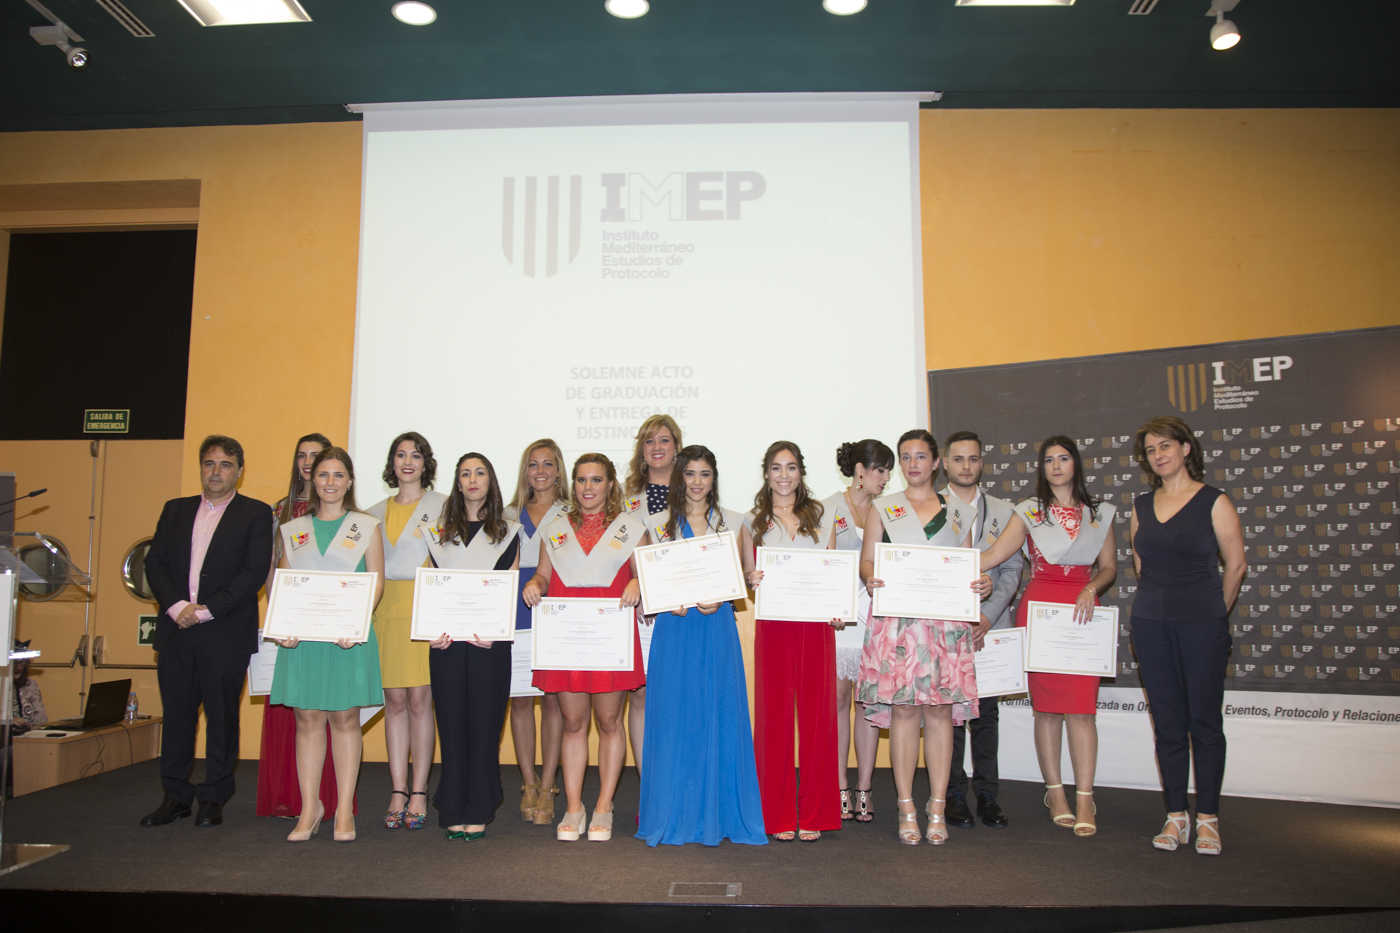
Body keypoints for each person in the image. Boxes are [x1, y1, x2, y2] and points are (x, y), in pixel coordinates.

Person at [978, 435, 1117, 838]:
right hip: (1041, 609)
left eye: (1064, 458)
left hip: (1082, 611)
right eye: (1049, 460)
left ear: (1076, 464)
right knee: (1048, 709)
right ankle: (1055, 793)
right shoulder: (1029, 512)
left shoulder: (1098, 514)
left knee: (1082, 709)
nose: (1056, 466)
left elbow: (1108, 566)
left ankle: (1086, 796)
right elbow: (993, 556)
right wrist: (943, 567)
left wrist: (1093, 587)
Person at [635, 445, 766, 847]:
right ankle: (676, 813)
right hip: (675, 632)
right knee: (675, 719)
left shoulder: (734, 523)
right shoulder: (657, 525)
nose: (696, 482)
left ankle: (720, 813)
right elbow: (646, 580)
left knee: (716, 715)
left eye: (704, 474)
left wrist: (744, 585)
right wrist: (661, 598)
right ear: (679, 477)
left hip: (716, 631)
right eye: (689, 473)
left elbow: (745, 575)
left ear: (714, 479)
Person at [141, 434, 273, 828]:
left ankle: (214, 797)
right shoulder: (175, 510)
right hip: (177, 628)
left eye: (226, 464)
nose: (216, 472)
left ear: (239, 471)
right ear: (202, 468)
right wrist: (178, 607)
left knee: (222, 716)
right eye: (210, 464)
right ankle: (175, 796)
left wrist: (207, 611)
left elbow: (253, 573)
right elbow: (156, 565)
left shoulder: (255, 513)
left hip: (224, 632)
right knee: (178, 716)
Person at [857, 429, 979, 846]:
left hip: (944, 626)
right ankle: (907, 804)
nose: (913, 464)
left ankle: (938, 805)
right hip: (899, 625)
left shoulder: (959, 511)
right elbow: (867, 561)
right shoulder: (884, 507)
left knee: (942, 714)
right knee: (905, 713)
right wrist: (872, 577)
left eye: (921, 456)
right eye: (905, 457)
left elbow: (966, 563)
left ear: (936, 461)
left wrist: (979, 585)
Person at [1129, 416, 1244, 856]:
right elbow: (1142, 566)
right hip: (1152, 624)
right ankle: (1175, 815)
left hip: (1202, 626)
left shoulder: (1215, 502)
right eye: (1151, 450)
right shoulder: (1141, 506)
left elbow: (1235, 565)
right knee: (1168, 724)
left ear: (1185, 449)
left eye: (1165, 447)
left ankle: (1209, 818)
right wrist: (1159, 608)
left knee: (1205, 723)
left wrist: (1214, 613)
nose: (1158, 456)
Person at [522, 453, 646, 842]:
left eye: (596, 480)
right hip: (569, 639)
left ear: (611, 484)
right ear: (572, 484)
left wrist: (638, 583)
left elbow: (647, 575)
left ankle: (605, 806)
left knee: (610, 723)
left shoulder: (631, 527)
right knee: (573, 724)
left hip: (610, 638)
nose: (588, 488)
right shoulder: (555, 527)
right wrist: (535, 587)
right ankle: (574, 807)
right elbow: (543, 574)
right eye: (581, 480)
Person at [270, 446, 385, 843]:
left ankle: (342, 810)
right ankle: (309, 808)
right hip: (303, 639)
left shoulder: (365, 527)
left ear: (350, 481)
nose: (330, 482)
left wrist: (353, 623)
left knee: (346, 719)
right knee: (307, 719)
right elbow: (285, 584)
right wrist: (282, 624)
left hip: (347, 638)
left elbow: (376, 583)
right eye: (323, 475)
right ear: (312, 480)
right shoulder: (294, 530)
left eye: (338, 475)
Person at [739, 441, 840, 842]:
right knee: (774, 718)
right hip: (775, 624)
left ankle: (815, 811)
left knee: (818, 718)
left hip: (816, 625)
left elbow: (832, 566)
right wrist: (752, 579)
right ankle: (777, 813)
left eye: (792, 467)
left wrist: (837, 606)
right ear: (766, 473)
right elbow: (747, 573)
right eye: (777, 468)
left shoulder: (821, 514)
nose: (784, 475)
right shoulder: (752, 520)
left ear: (801, 473)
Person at [423, 453, 521, 840]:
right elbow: (431, 587)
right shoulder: (438, 531)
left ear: (491, 480)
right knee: (450, 722)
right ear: (457, 482)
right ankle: (452, 804)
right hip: (446, 644)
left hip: (489, 644)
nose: (473, 479)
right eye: (465, 473)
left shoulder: (509, 531)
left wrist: (497, 629)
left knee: (484, 724)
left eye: (480, 472)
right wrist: (431, 629)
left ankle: (480, 803)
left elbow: (510, 588)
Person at [257, 432, 345, 821]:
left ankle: (333, 803)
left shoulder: (352, 521)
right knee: (299, 718)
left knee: (339, 719)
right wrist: (280, 620)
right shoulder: (281, 511)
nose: (309, 464)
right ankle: (295, 801)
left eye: (317, 457)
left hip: (337, 628)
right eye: (303, 456)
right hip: (296, 627)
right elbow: (275, 572)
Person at [941, 430, 1024, 830]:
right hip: (944, 630)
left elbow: (1011, 571)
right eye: (958, 459)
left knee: (986, 718)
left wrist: (988, 614)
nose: (966, 467)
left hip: (989, 629)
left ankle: (988, 796)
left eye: (973, 459)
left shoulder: (1006, 512)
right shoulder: (929, 509)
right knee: (952, 720)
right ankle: (953, 796)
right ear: (945, 462)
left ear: (981, 462)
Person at [365, 431, 446, 831]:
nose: (408, 461)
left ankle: (418, 791)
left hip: (426, 606)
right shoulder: (371, 513)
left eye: (416, 455)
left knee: (420, 702)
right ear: (391, 462)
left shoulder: (443, 506)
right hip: (385, 610)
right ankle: (397, 789)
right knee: (393, 703)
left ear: (426, 462)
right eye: (400, 455)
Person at [821, 438, 893, 824]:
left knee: (868, 700)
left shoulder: (891, 510)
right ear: (860, 471)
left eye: (888, 471)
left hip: (875, 613)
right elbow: (824, 561)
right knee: (837, 699)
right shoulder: (829, 506)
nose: (884, 478)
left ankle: (864, 788)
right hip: (838, 613)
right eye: (879, 470)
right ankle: (838, 786)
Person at [503, 439, 569, 825]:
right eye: (533, 464)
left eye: (548, 464)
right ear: (524, 471)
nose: (540, 471)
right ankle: (528, 782)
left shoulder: (573, 511)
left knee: (555, 701)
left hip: (557, 606)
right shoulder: (508, 513)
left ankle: (548, 784)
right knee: (521, 700)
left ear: (559, 470)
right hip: (514, 608)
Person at [620, 414, 682, 777]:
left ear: (677, 447)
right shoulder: (626, 502)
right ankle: (648, 780)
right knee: (640, 694)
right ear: (641, 451)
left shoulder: (694, 493)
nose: (657, 447)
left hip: (683, 609)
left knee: (676, 695)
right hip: (643, 608)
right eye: (649, 441)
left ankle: (677, 775)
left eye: (664, 440)